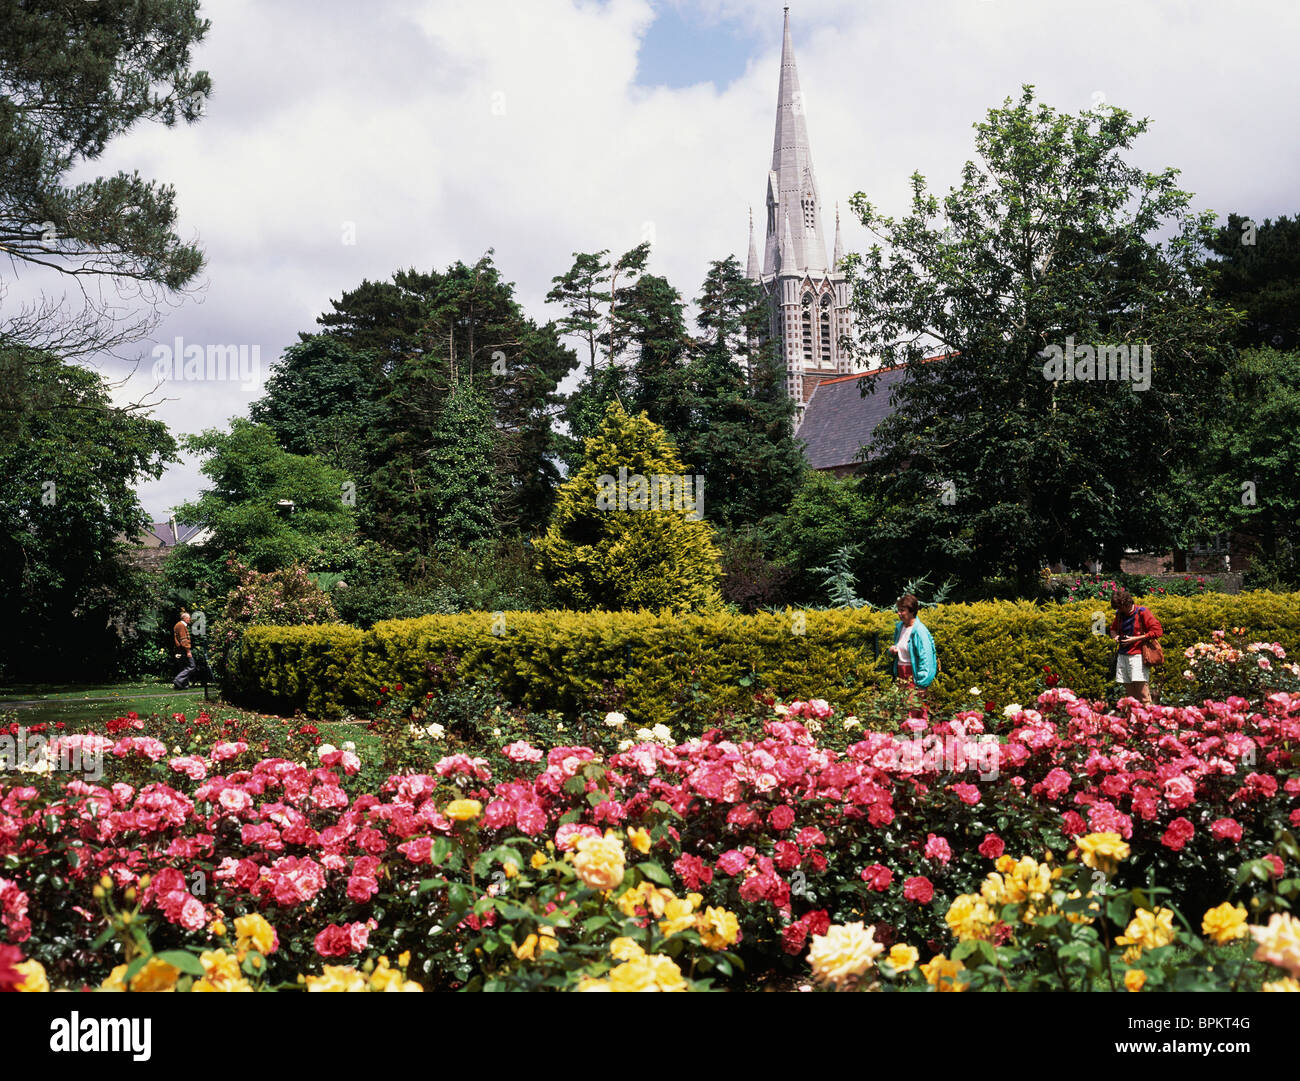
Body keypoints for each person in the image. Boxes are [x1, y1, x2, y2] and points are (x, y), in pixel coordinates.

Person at [1108, 588, 1162, 706]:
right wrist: (1116, 637)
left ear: (1128, 603)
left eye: (1121, 608)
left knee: (1143, 694)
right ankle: (1134, 720)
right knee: (1130, 697)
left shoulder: (1142, 612)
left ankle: (1148, 719)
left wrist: (1135, 639)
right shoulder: (1120, 614)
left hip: (1138, 656)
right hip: (1123, 655)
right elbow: (1112, 629)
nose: (1120, 611)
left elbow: (1157, 631)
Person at [888, 593, 938, 718]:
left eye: (902, 610)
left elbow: (926, 658)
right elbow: (902, 647)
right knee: (903, 710)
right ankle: (905, 737)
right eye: (898, 610)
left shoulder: (920, 631)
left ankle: (918, 737)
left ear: (912, 612)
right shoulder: (900, 627)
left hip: (914, 676)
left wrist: (922, 683)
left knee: (915, 711)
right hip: (901, 674)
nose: (899, 613)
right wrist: (893, 650)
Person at [173, 610, 197, 690]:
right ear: (184, 618)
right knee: (192, 666)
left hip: (180, 649)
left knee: (184, 667)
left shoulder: (178, 625)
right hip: (184, 649)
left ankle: (183, 685)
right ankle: (178, 680)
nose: (189, 620)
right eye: (189, 618)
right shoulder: (181, 626)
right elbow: (183, 640)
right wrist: (188, 651)